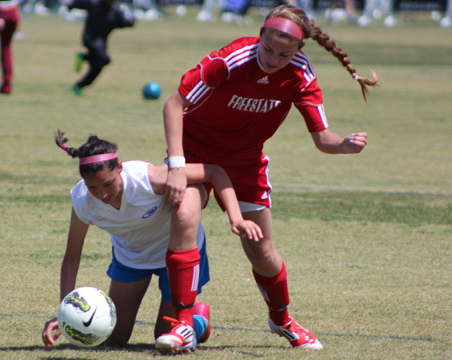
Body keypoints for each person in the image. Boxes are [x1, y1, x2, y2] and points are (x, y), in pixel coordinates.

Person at [161, 4, 378, 350]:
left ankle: (281, 320)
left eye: (284, 53)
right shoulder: (230, 60)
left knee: (262, 252)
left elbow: (323, 139)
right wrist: (174, 164)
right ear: (259, 35)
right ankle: (184, 323)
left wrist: (345, 145)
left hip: (245, 164)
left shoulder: (300, 74)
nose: (273, 59)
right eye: (268, 49)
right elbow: (174, 104)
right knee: (185, 217)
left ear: (299, 50)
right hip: (194, 156)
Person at [41, 130, 263, 353]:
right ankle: (191, 319)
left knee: (165, 336)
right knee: (114, 339)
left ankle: (198, 321)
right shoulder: (83, 201)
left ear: (120, 167)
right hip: (131, 257)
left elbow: (215, 172)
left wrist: (236, 219)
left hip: (175, 255)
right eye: (93, 187)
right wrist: (64, 312)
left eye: (107, 184)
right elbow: (72, 256)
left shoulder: (148, 178)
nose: (102, 194)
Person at [69, 0, 134, 96]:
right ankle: (84, 57)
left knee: (97, 67)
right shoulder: (94, 4)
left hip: (102, 42)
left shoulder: (115, 10)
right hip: (90, 39)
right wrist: (71, 5)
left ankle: (79, 86)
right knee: (105, 59)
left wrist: (130, 22)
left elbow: (123, 22)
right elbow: (79, 3)